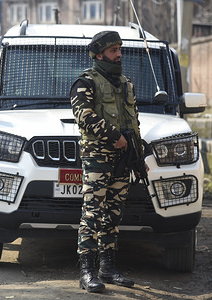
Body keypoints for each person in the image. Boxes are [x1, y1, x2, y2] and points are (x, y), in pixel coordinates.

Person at [70, 31, 147, 292]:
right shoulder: (85, 83)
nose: (119, 54)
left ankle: (108, 268)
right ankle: (87, 272)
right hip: (97, 159)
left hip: (123, 160)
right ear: (99, 54)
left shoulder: (126, 84)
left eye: (119, 49)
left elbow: (133, 123)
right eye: (114, 50)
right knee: (92, 213)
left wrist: (139, 158)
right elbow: (84, 116)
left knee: (113, 216)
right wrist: (113, 136)